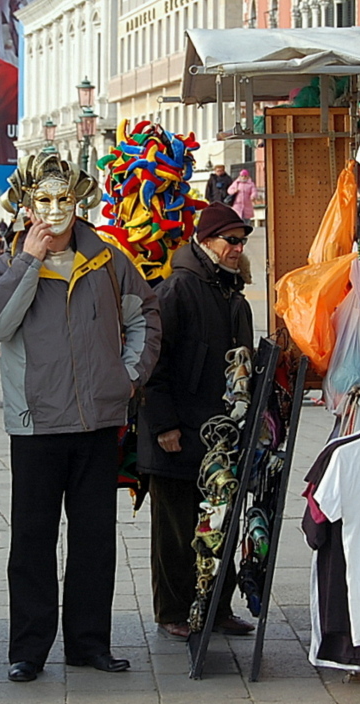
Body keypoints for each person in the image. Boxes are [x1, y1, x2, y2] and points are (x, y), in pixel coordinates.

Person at [0, 150, 161, 684]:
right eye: (44, 201)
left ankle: (88, 643)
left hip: (98, 422)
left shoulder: (108, 259)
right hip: (37, 426)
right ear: (27, 205)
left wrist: (127, 378)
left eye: (65, 201)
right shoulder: (3, 267)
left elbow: (145, 315)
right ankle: (28, 649)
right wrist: (29, 262)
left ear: (80, 204)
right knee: (32, 540)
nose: (55, 212)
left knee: (95, 538)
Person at [138, 202, 257, 641]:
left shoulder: (231, 291)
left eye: (241, 241)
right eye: (231, 240)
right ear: (206, 242)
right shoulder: (178, 288)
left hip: (219, 434)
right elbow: (153, 361)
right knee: (175, 528)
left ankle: (216, 607)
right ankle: (173, 610)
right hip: (177, 433)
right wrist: (163, 424)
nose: (237, 248)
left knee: (220, 520)